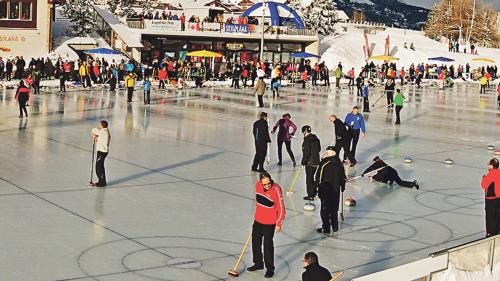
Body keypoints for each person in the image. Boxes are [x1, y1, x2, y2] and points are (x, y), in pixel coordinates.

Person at [247, 172, 285, 279]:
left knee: (267, 245)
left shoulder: (276, 189)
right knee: (255, 242)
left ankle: (270, 268)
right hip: (258, 220)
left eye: (268, 183)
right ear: (261, 183)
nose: (267, 186)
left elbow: (281, 208)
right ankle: (258, 263)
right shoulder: (258, 185)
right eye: (265, 184)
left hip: (270, 223)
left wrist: (279, 223)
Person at [315, 147, 346, 233]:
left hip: (325, 190)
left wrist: (316, 187)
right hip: (336, 191)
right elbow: (343, 177)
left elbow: (319, 178)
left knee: (325, 210)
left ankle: (326, 228)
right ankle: (335, 226)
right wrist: (342, 186)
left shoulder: (324, 163)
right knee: (334, 209)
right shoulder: (339, 164)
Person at [301, 125, 321, 200]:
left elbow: (306, 153)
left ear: (305, 131)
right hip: (316, 161)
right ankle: (314, 191)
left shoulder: (307, 140)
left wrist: (303, 162)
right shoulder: (316, 139)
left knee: (309, 179)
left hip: (309, 162)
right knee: (312, 177)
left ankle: (310, 195)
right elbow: (319, 149)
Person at [481, 158, 500, 237]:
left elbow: (483, 185)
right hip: (499, 199)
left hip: (491, 200)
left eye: (489, 164)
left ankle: (491, 234)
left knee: (490, 218)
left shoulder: (491, 174)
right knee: (497, 216)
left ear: (492, 166)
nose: (487, 165)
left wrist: (484, 178)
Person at [91, 120, 111, 187]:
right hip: (101, 151)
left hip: (102, 152)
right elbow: (100, 139)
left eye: (100, 124)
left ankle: (101, 182)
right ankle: (102, 181)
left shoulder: (103, 131)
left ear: (102, 125)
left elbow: (94, 130)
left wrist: (94, 134)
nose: (99, 125)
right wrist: (96, 137)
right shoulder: (104, 132)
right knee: (100, 166)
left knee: (98, 167)